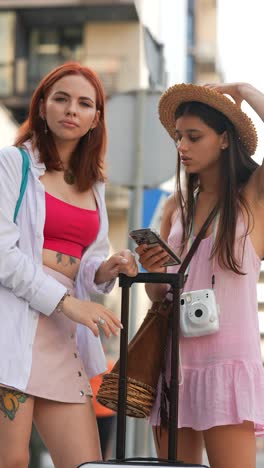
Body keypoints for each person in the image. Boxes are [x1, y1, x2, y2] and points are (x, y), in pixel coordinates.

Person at [0, 61, 138, 468]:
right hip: (14, 329)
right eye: (61, 99)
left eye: (84, 103)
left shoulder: (93, 184)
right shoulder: (14, 164)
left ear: (96, 118)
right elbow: (3, 255)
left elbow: (88, 258)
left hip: (62, 338)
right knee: (11, 460)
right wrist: (68, 303)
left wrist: (105, 268)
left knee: (86, 463)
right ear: (42, 106)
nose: (71, 110)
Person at [135, 82, 264, 468]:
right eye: (178, 137)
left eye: (194, 137)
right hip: (174, 364)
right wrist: (154, 270)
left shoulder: (252, 198)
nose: (182, 147)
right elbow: (161, 296)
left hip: (227, 365)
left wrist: (243, 90)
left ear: (225, 140)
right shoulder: (177, 205)